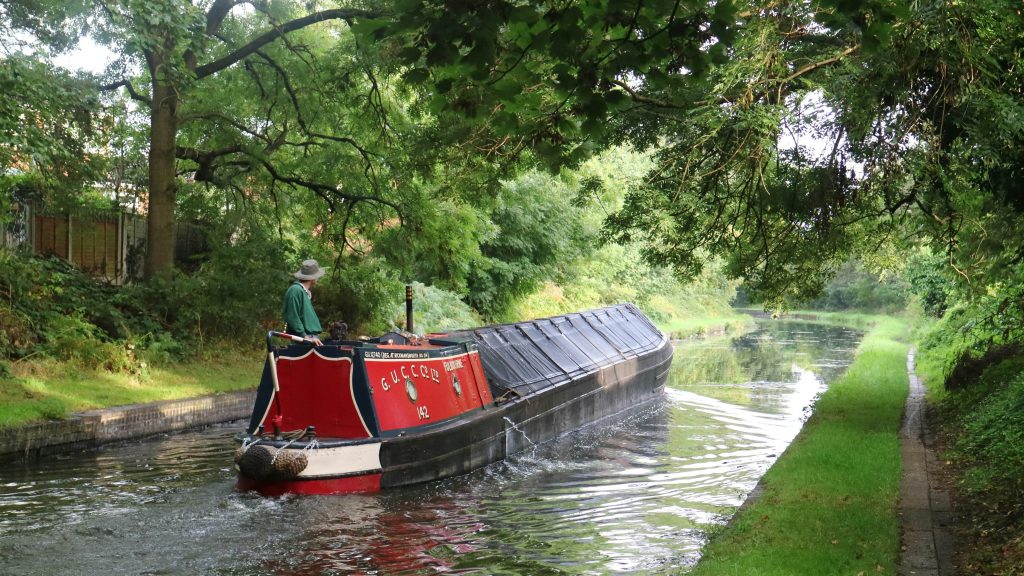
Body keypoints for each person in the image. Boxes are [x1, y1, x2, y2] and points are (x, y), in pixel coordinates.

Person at [283, 259, 325, 345]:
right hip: (303, 340)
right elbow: (292, 316)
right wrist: (305, 336)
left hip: (310, 338)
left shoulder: (303, 291)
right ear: (312, 278)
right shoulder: (295, 290)